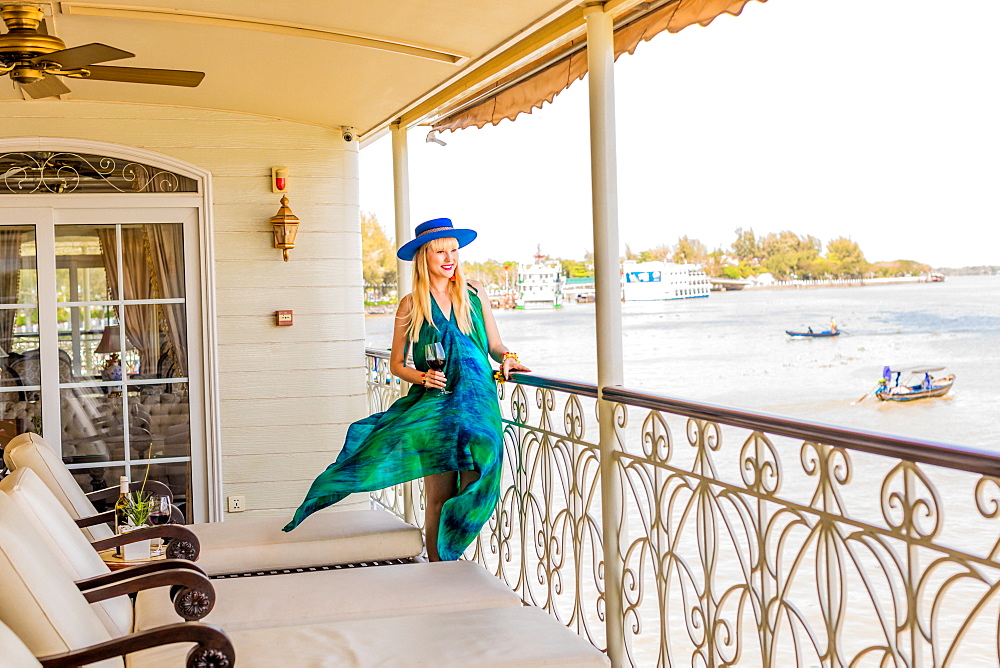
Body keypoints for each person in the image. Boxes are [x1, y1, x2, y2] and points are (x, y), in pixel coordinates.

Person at [283, 217, 530, 561]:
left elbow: (495, 346)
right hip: (435, 410)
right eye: (440, 251)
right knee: (439, 497)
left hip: (478, 408)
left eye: (454, 250)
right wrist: (423, 378)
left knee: (480, 484)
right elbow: (397, 365)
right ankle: (439, 570)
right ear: (423, 257)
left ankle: (453, 554)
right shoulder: (411, 305)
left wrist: (510, 359)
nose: (449, 258)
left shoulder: (474, 294)